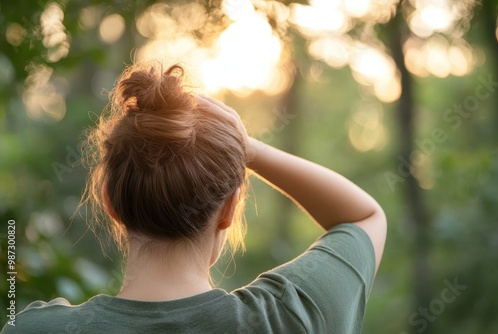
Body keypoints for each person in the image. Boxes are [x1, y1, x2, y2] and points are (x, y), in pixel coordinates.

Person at [1, 63, 386, 334]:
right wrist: (247, 148)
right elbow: (365, 216)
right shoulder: (289, 319)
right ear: (230, 209)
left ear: (109, 202)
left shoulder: (35, 330)